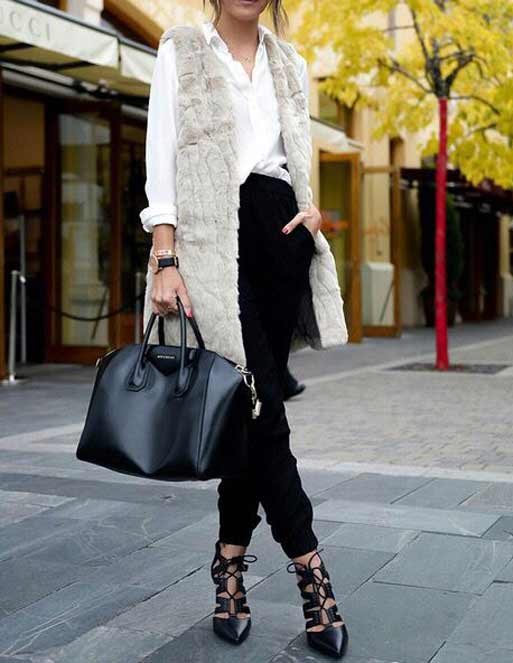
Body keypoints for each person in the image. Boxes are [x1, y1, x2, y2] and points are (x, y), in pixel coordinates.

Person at [139, 0, 348, 658]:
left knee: (249, 413)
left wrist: (309, 214)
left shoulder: (290, 62)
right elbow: (161, 159)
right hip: (211, 244)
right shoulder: (181, 49)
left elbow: (292, 154)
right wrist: (165, 258)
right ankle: (313, 573)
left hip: (278, 234)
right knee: (264, 416)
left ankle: (230, 563)